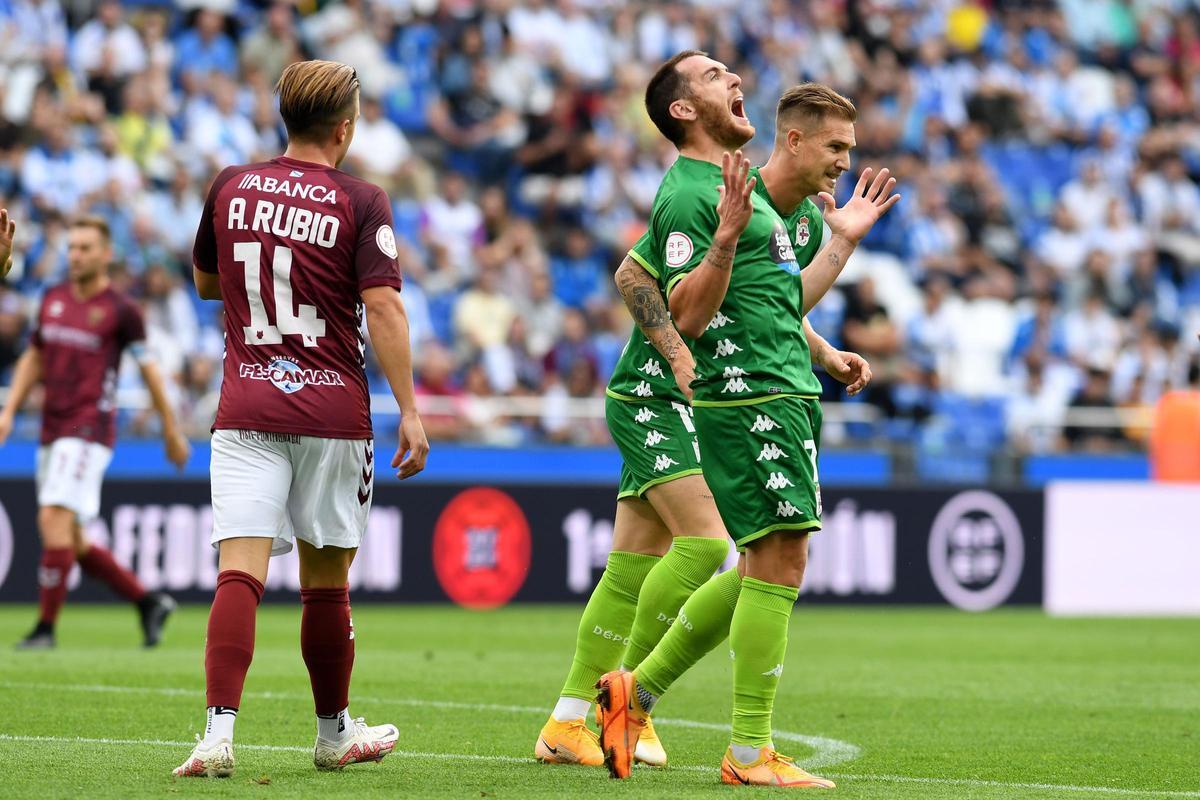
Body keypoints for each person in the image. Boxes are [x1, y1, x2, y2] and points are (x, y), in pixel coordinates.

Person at [537, 83, 877, 771]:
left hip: (737, 388)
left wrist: (822, 344)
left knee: (642, 560)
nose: (735, 80)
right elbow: (644, 278)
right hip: (667, 392)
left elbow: (773, 299)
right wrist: (680, 358)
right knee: (710, 544)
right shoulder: (697, 191)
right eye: (714, 73)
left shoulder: (785, 211)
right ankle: (635, 703)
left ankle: (580, 713)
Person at [174, 60, 429, 778]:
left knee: (239, 574)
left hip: (246, 403)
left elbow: (203, 281)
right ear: (345, 128)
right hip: (332, 411)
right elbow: (382, 307)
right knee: (325, 581)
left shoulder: (229, 184)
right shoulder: (362, 199)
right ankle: (332, 732)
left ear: (284, 120)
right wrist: (410, 409)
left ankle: (217, 734)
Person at [0, 213, 188, 650]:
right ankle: (148, 602)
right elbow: (33, 358)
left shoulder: (123, 311)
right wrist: (9, 411)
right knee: (73, 538)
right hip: (52, 424)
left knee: (53, 518)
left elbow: (151, 372)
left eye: (85, 247)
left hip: (89, 428)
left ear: (106, 254)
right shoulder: (53, 297)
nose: (76, 255)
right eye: (71, 247)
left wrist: (171, 430)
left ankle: (45, 629)